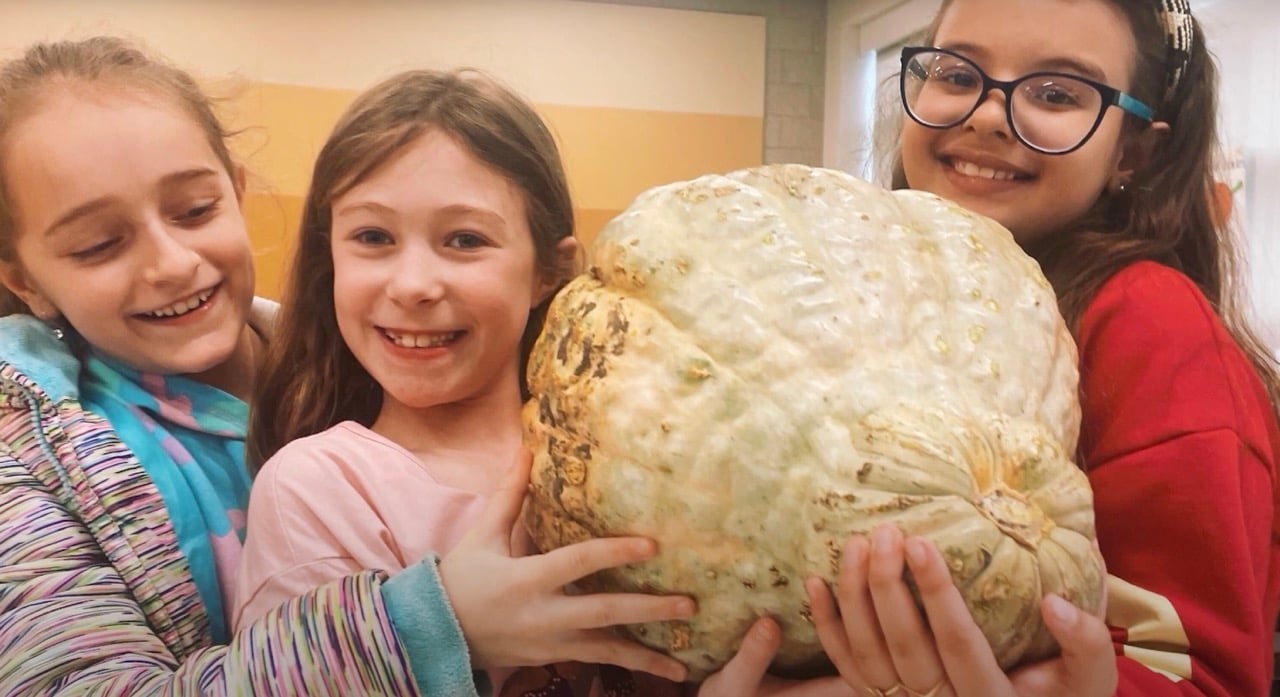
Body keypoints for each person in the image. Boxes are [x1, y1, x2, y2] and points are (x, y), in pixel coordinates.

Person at [0, 37, 683, 697]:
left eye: (195, 209)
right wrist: (432, 626)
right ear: (24, 280)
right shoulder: (309, 479)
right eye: (98, 244)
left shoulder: (327, 367)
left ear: (235, 191)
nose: (172, 262)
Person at [741, 1, 1278, 696]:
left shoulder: (1150, 322)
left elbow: (1199, 674)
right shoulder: (864, 280)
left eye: (1056, 93)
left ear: (1133, 152)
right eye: (956, 74)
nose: (988, 114)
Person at [235, 68, 695, 696]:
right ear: (331, 258)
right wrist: (445, 627)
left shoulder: (638, 460)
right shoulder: (317, 489)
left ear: (547, 272)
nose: (413, 284)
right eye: (373, 237)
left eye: (464, 239)